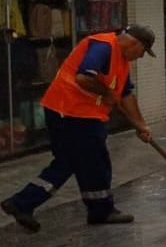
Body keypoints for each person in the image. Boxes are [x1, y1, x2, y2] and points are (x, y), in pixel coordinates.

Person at [2, 24, 156, 232]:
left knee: (74, 162)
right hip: (70, 112)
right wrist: (106, 93)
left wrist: (141, 125)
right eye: (143, 52)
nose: (141, 57)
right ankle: (97, 210)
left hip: (80, 114)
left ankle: (24, 203)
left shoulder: (121, 61)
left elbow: (126, 95)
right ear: (134, 43)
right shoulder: (103, 47)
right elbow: (83, 77)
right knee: (90, 161)